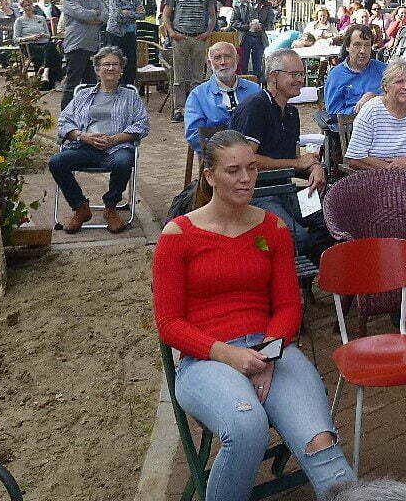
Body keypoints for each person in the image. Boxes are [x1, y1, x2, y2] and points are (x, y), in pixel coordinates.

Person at [152, 129, 355, 501]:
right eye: (233, 171)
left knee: (320, 439)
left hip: (270, 350)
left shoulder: (272, 228)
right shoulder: (178, 235)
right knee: (247, 428)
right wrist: (230, 355)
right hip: (206, 360)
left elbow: (289, 306)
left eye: (251, 168)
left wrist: (268, 355)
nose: (245, 178)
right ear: (210, 176)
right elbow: (169, 324)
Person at [231, 49, 329, 262]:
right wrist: (297, 163)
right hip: (256, 194)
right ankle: (291, 274)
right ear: (274, 76)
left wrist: (315, 167)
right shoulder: (256, 107)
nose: (301, 80)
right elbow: (245, 161)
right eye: (295, 74)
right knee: (296, 237)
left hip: (286, 192)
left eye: (302, 74)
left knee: (332, 218)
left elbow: (297, 160)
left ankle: (319, 273)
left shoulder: (292, 113)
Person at [50, 46, 150, 234]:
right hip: (84, 147)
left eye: (115, 64)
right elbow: (63, 122)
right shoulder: (83, 95)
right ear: (97, 70)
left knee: (124, 162)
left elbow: (143, 124)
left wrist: (116, 139)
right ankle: (80, 207)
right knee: (56, 162)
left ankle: (110, 207)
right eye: (106, 64)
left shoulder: (131, 97)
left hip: (117, 148)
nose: (110, 68)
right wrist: (83, 136)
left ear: (121, 70)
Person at [344, 61, 406, 173]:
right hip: (379, 177)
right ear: (385, 86)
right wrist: (393, 169)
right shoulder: (371, 110)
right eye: (399, 82)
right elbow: (354, 158)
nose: (405, 87)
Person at [163, 0, 218, 122]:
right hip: (180, 37)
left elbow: (213, 15)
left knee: (197, 76)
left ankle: (194, 107)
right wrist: (172, 33)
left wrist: (208, 32)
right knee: (179, 76)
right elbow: (166, 14)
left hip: (199, 38)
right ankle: (179, 109)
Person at [185, 40, 263, 151]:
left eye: (227, 56)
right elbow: (194, 135)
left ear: (237, 59)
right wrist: (226, 152)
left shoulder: (254, 90)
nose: (223, 62)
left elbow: (267, 123)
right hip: (217, 155)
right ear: (209, 63)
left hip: (255, 154)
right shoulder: (197, 95)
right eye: (217, 58)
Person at [58, 0, 108, 109]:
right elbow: (81, 14)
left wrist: (91, 16)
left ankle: (87, 114)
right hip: (76, 46)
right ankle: (66, 116)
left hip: (93, 46)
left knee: (91, 84)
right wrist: (94, 14)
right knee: (72, 83)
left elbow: (105, 15)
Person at [322, 24, 386, 132]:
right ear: (347, 47)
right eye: (357, 45)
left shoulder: (384, 71)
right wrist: (359, 109)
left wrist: (376, 99)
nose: (362, 50)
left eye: (367, 45)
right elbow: (333, 114)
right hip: (350, 133)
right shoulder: (336, 75)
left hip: (386, 130)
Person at [105, 0, 143, 86]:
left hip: (130, 33)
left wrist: (127, 12)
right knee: (115, 61)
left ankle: (128, 88)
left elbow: (142, 14)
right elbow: (117, 17)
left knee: (130, 64)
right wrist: (133, 13)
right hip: (116, 33)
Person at [15, 0, 63, 88]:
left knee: (50, 46)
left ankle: (45, 73)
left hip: (44, 44)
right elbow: (16, 39)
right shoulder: (19, 21)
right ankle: (57, 81)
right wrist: (30, 38)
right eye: (25, 6)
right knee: (54, 53)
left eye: (29, 5)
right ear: (22, 7)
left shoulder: (41, 18)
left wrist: (43, 35)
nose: (28, 7)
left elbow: (48, 35)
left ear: (33, 6)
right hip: (30, 46)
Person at [231, 0, 274, 81]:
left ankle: (258, 87)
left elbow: (270, 23)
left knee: (258, 67)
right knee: (242, 66)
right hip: (243, 38)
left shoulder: (266, 4)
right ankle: (242, 87)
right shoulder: (239, 3)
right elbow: (233, 22)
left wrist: (261, 26)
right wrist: (248, 26)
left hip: (259, 38)